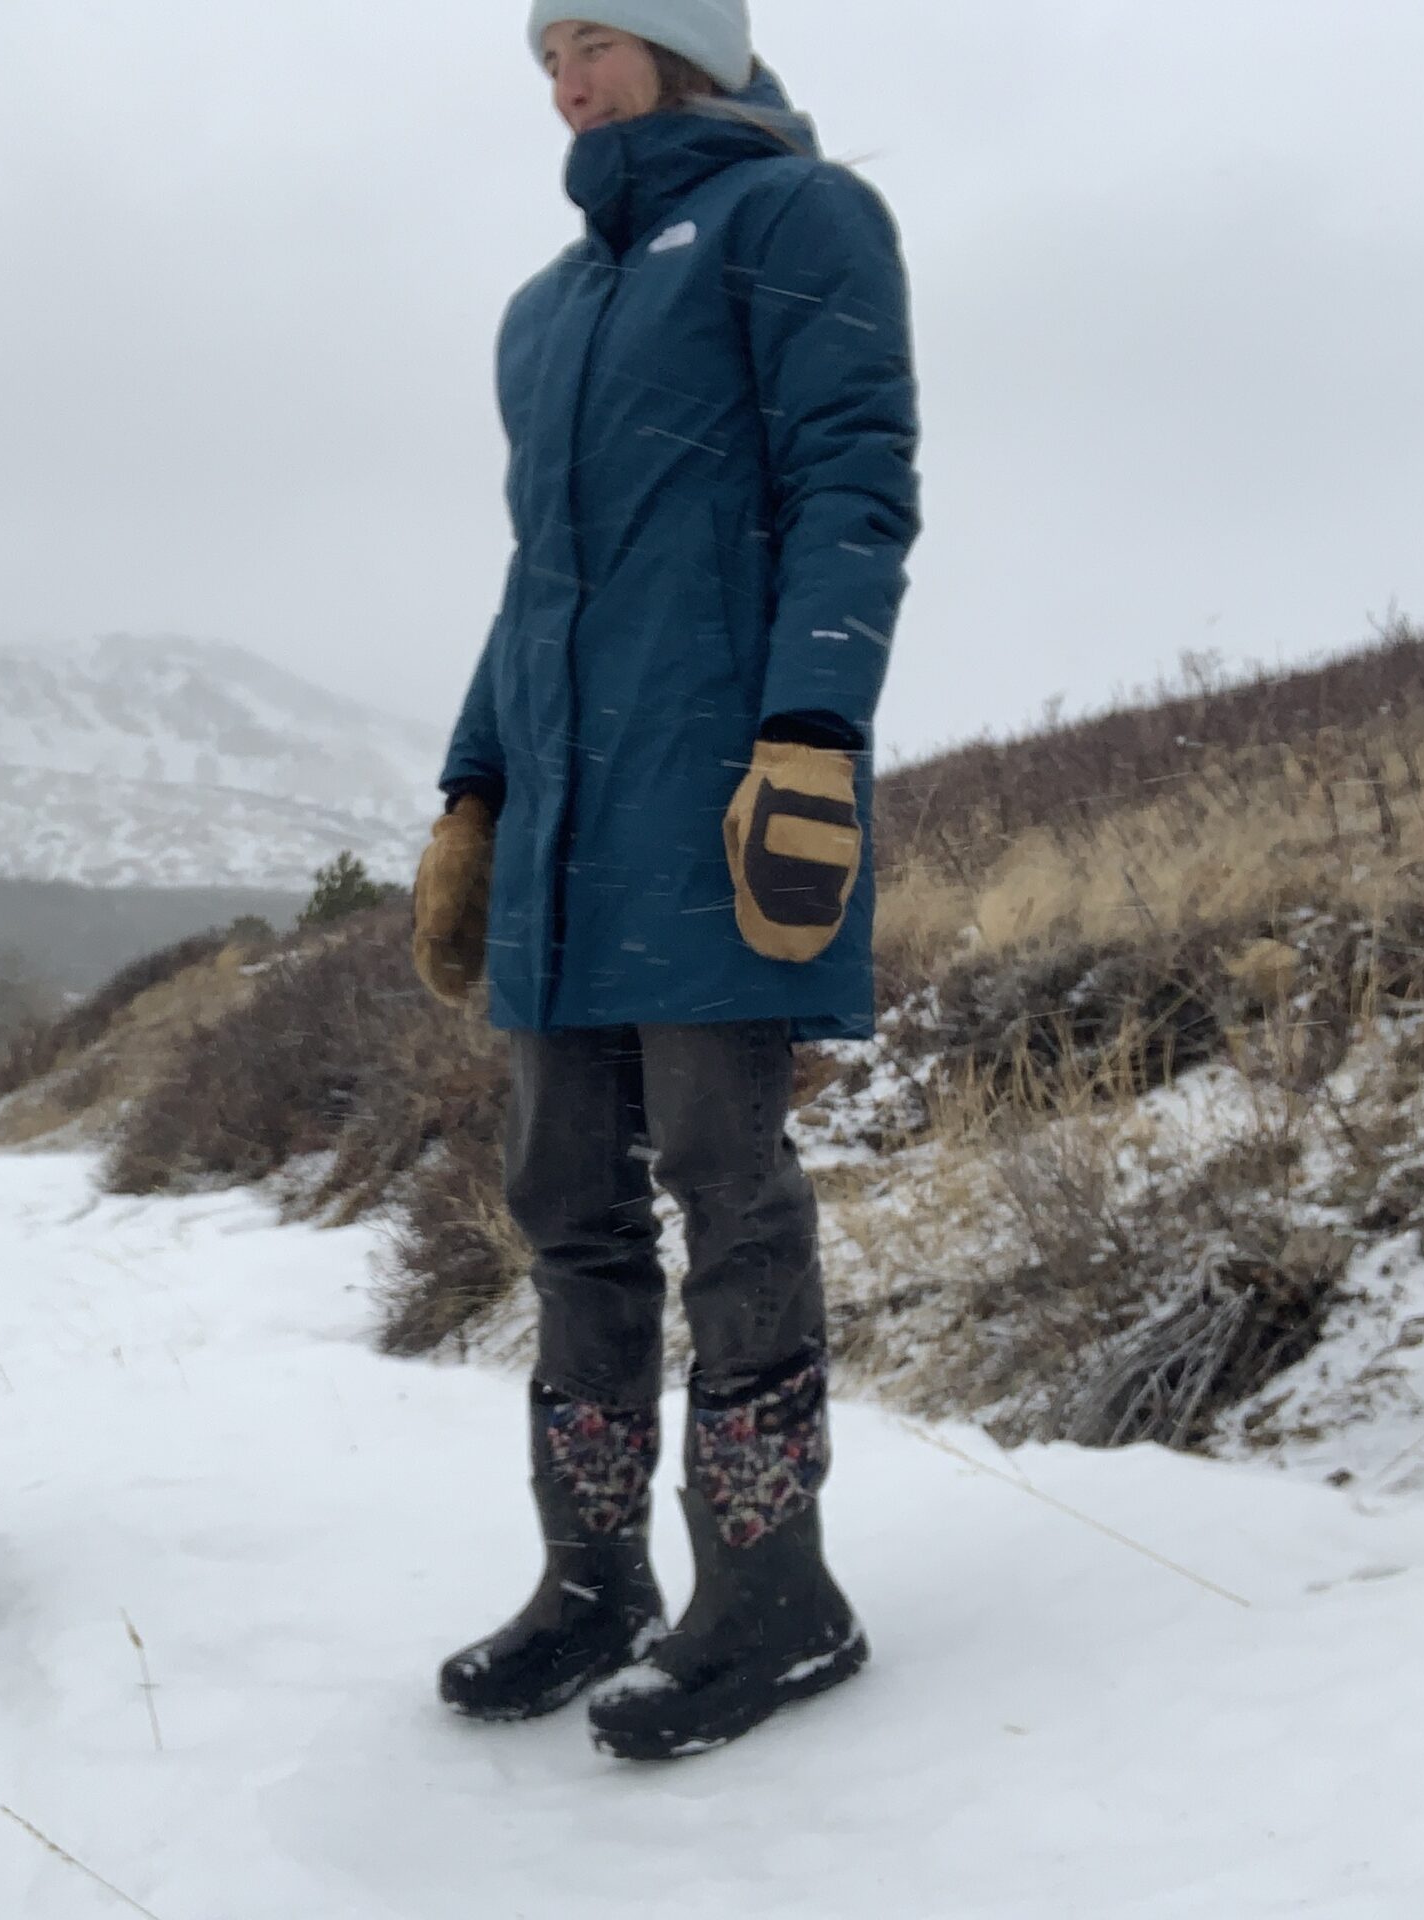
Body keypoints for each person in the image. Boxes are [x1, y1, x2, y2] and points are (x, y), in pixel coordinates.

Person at [410, 1, 922, 1761]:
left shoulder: (803, 215)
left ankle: (774, 1587)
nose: (565, 76)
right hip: (563, 811)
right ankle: (596, 1580)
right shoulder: (545, 312)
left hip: (719, 788)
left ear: (685, 47)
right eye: (544, 50)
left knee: (727, 1174)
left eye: (597, 39)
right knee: (565, 1194)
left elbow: (857, 484)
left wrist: (805, 733)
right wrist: (474, 789)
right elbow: (530, 577)